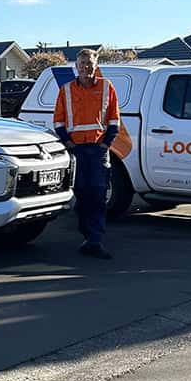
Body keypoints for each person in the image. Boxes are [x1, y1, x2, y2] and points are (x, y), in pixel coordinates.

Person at [52, 49, 121, 260]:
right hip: (77, 150)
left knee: (99, 195)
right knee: (81, 195)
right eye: (82, 64)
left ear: (96, 64)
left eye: (89, 63)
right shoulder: (66, 90)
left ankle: (95, 240)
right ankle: (87, 234)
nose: (86, 68)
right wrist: (69, 143)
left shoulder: (107, 87)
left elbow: (114, 120)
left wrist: (105, 144)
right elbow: (58, 121)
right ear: (77, 66)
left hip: (98, 150)